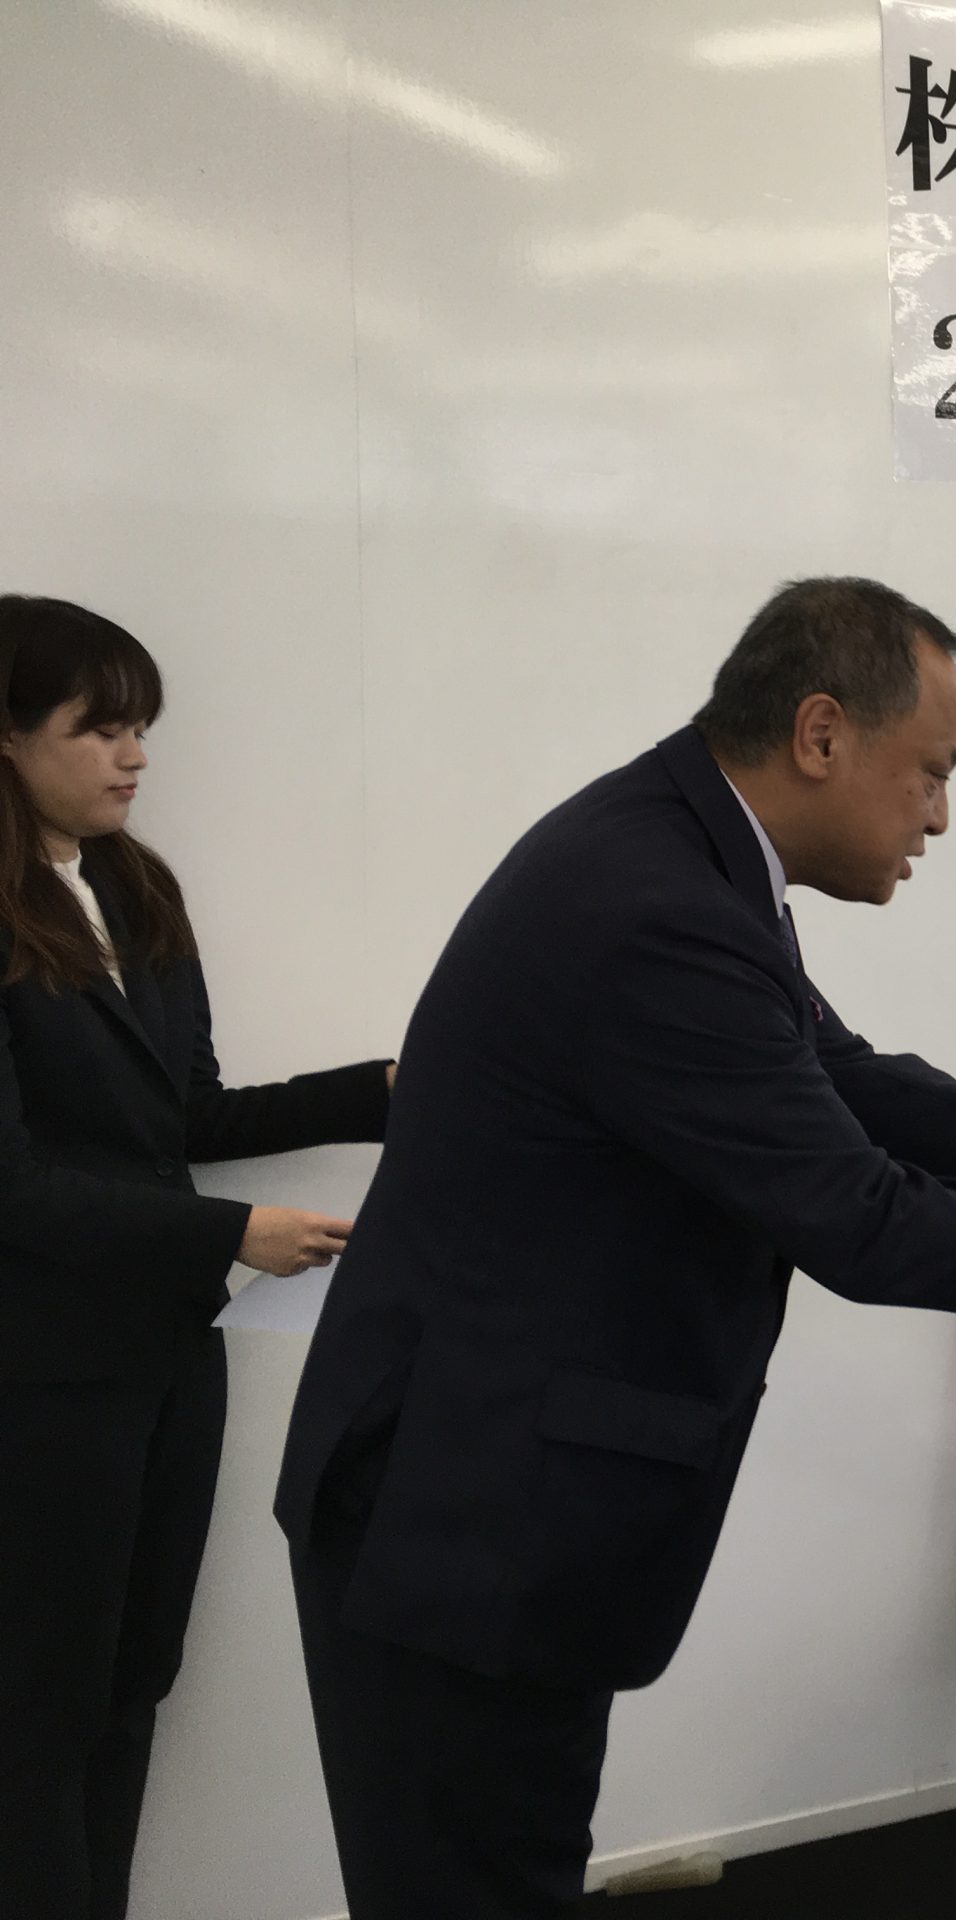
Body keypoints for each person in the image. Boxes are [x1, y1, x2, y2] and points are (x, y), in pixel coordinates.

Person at [274, 577, 956, 1916]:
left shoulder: (679, 851)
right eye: (931, 771)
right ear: (821, 733)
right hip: (461, 1520)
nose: (939, 817)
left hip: (478, 1486)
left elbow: (833, 1071)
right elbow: (860, 1220)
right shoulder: (657, 905)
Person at [0, 596, 393, 1920]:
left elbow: (186, 1118)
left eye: (142, 727)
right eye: (99, 728)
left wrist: (378, 1092)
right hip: (42, 1383)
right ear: (8, 737)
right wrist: (231, 1234)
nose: (135, 756)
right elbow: (12, 1188)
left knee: (134, 1683)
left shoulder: (133, 885)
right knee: (40, 1707)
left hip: (171, 1360)